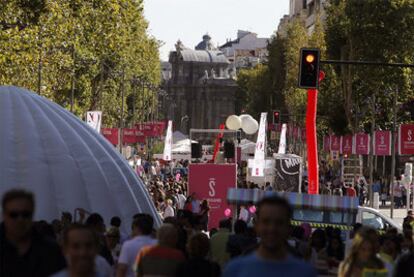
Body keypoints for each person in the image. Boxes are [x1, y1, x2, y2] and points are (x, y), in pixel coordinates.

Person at [223, 196, 317, 277]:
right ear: (256, 226)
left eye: (279, 222)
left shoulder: (305, 272)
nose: (272, 228)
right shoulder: (234, 270)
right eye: (266, 222)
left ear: (288, 228)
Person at [0, 189, 66, 276]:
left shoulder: (51, 251)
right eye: (13, 214)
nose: (20, 220)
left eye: (25, 214)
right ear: (4, 215)